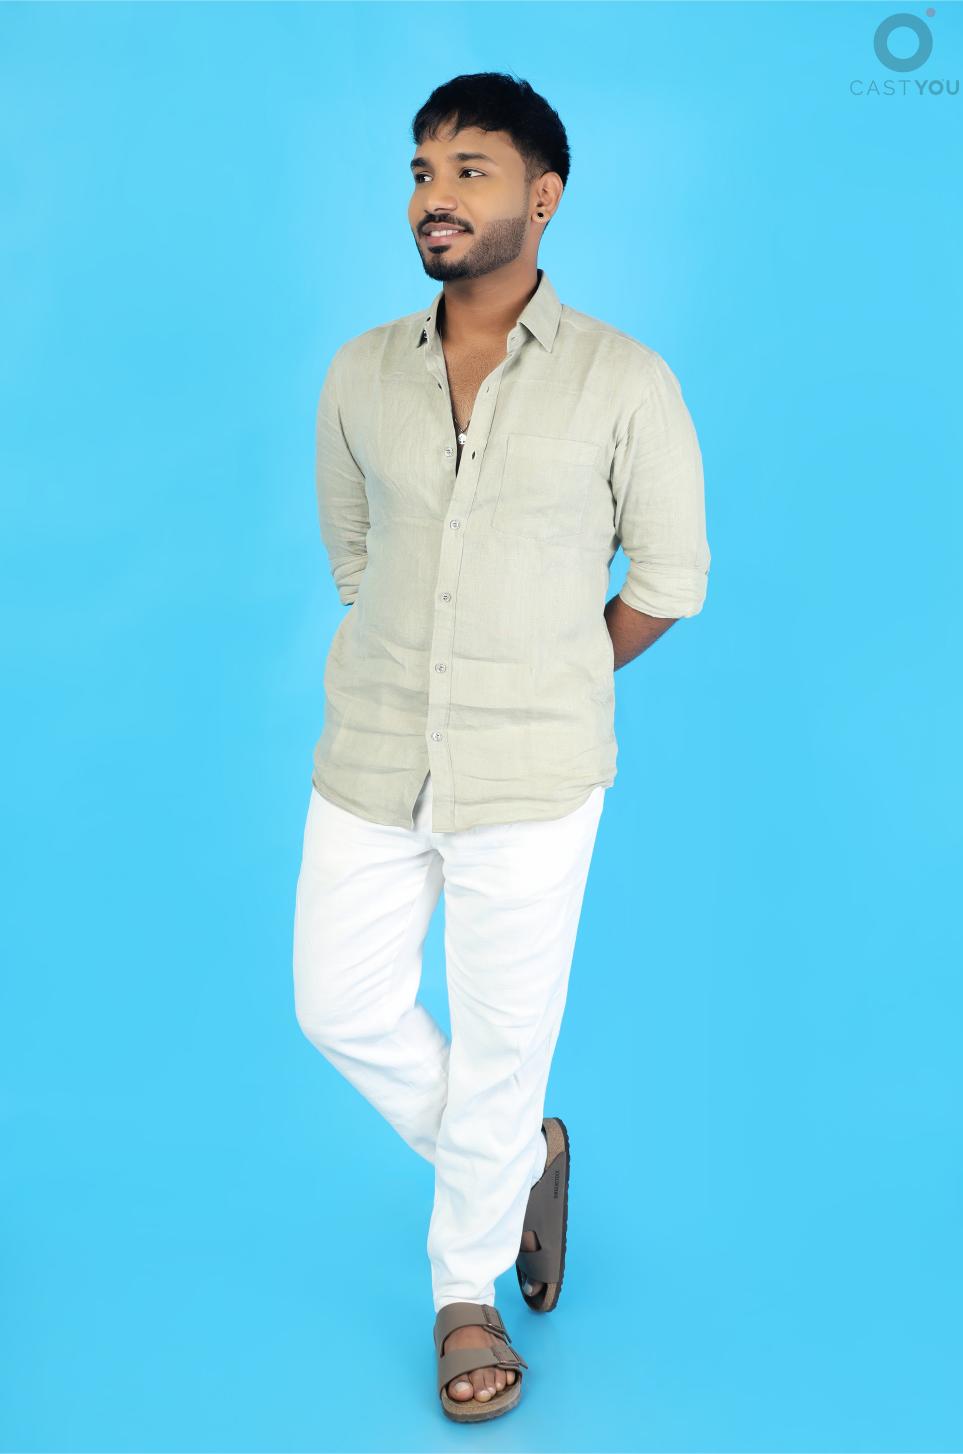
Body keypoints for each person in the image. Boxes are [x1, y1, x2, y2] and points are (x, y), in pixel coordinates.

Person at [293, 70, 711, 1422]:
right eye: (422, 171)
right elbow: (356, 559)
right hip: (371, 748)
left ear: (544, 196)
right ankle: (522, 1156)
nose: (435, 195)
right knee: (338, 1004)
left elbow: (670, 577)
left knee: (501, 1038)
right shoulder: (359, 373)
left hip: (535, 772)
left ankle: (460, 1293)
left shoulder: (623, 380)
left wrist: (550, 673)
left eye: (470, 170)